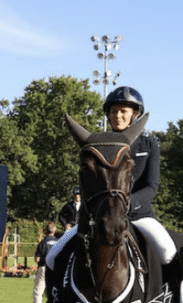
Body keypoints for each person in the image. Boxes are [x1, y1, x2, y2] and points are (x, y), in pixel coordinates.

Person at [49, 86, 176, 268]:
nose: (118, 116)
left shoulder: (149, 145)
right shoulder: (100, 144)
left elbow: (151, 186)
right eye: (114, 111)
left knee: (168, 253)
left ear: (136, 114)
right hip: (101, 216)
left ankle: (180, 296)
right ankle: (56, 297)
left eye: (123, 111)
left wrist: (127, 203)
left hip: (139, 215)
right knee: (52, 256)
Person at [32, 222, 61, 303]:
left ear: (45, 231)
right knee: (55, 293)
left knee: (38, 293)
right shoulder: (59, 242)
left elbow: (37, 259)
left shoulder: (43, 243)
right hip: (57, 269)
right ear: (54, 231)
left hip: (44, 268)